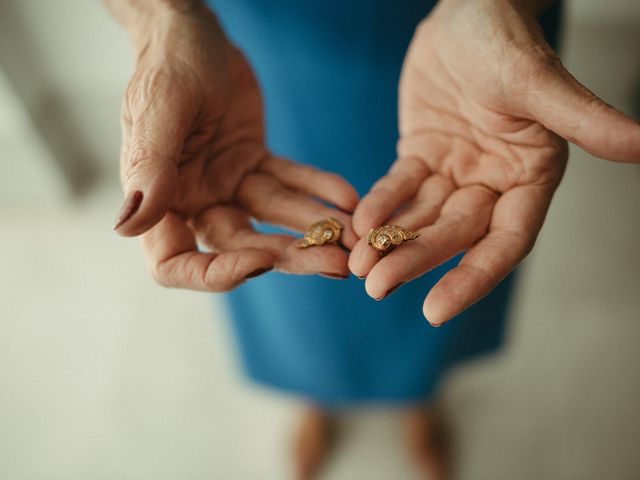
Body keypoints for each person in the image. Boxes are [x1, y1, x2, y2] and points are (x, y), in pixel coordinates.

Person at [105, 0, 640, 478]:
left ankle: (420, 400)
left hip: (469, 42)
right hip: (265, 46)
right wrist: (162, 20)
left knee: (448, 251)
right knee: (281, 254)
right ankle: (315, 395)